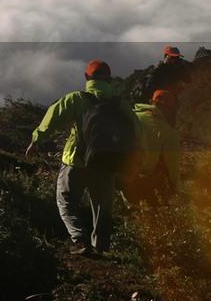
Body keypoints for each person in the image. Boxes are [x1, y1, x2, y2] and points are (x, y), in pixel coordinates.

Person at [26, 59, 133, 255]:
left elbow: (53, 118)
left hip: (76, 160)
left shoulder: (77, 99)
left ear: (86, 77)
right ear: (109, 79)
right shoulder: (119, 104)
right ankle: (100, 247)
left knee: (65, 200)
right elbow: (136, 129)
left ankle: (80, 240)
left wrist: (36, 139)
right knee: (102, 208)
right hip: (107, 163)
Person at [128, 89, 185, 205]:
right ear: (170, 110)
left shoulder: (131, 116)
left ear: (150, 102)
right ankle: (154, 208)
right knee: (161, 170)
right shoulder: (169, 133)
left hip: (115, 177)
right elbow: (173, 168)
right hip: (139, 180)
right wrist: (177, 189)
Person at [141, 45, 194, 123]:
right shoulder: (158, 70)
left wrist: (182, 68)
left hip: (171, 103)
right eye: (172, 58)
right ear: (166, 57)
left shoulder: (176, 69)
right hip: (159, 104)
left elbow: (188, 80)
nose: (175, 60)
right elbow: (149, 87)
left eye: (177, 58)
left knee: (170, 123)